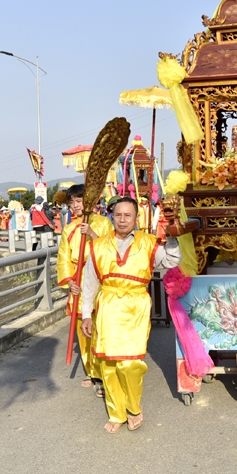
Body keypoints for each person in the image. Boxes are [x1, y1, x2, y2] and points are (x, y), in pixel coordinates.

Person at [80, 196, 181, 434]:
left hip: (136, 307)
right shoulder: (97, 246)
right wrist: (86, 314)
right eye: (118, 215)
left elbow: (172, 260)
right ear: (111, 216)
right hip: (107, 307)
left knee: (131, 362)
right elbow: (89, 283)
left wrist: (174, 236)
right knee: (108, 364)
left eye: (128, 215)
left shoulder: (148, 243)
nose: (123, 220)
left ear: (137, 218)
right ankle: (116, 413)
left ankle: (133, 407)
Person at [57, 185, 114, 396]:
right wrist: (69, 281)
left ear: (89, 202)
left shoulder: (104, 223)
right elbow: (63, 258)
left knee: (100, 327)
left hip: (99, 280)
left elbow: (110, 250)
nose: (75, 206)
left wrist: (92, 234)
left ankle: (104, 373)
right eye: (71, 202)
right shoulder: (68, 228)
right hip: (79, 280)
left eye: (78, 201)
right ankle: (92, 371)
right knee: (83, 331)